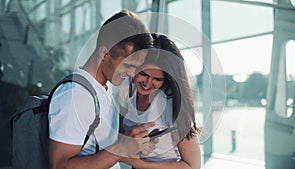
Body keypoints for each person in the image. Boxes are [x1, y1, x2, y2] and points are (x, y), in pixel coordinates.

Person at [48, 10, 156, 169]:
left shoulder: (102, 88)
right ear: (105, 53)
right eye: (128, 65)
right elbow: (61, 166)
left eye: (136, 67)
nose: (133, 74)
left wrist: (131, 142)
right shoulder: (76, 96)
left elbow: (100, 149)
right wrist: (121, 149)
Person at [119, 33, 201, 169]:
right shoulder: (127, 90)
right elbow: (121, 132)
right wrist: (132, 143)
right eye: (143, 74)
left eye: (158, 79)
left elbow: (192, 165)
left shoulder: (173, 105)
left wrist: (140, 163)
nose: (147, 83)